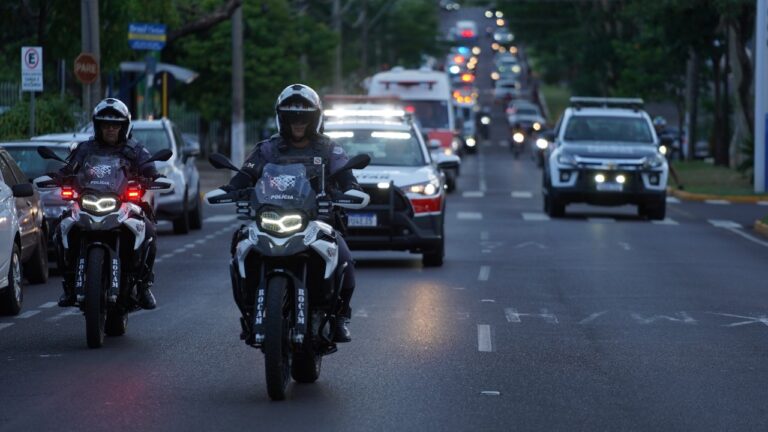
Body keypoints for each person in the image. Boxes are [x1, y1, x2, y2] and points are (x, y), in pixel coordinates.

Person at [222, 84, 368, 342]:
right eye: (291, 116)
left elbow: (346, 175)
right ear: (282, 119)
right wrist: (231, 189)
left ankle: (340, 316)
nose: (298, 122)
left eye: (304, 117)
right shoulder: (268, 148)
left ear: (315, 118)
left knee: (344, 256)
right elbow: (247, 173)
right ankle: (248, 310)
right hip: (270, 218)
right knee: (240, 248)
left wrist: (350, 189)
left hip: (317, 220)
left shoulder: (328, 148)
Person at [56, 98, 160, 309]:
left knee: (149, 231)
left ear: (124, 127)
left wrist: (153, 176)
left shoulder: (135, 149)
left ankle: (143, 286)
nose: (110, 129)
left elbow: (151, 169)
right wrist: (59, 176)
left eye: (115, 125)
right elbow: (68, 168)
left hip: (122, 205)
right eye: (106, 125)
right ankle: (68, 285)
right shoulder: (85, 148)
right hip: (88, 202)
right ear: (98, 126)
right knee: (60, 229)